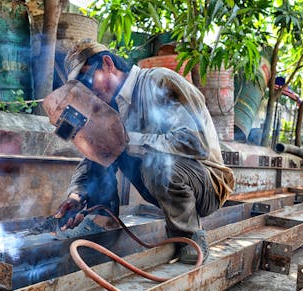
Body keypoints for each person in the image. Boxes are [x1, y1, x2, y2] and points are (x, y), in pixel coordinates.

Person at [48, 39, 234, 264]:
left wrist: (127, 141)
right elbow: (92, 160)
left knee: (155, 162)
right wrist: (77, 195)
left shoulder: (160, 81)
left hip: (205, 183)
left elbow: (196, 143)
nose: (88, 91)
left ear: (108, 64)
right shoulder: (111, 108)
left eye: (88, 80)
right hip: (163, 183)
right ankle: (103, 220)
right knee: (103, 143)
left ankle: (189, 237)